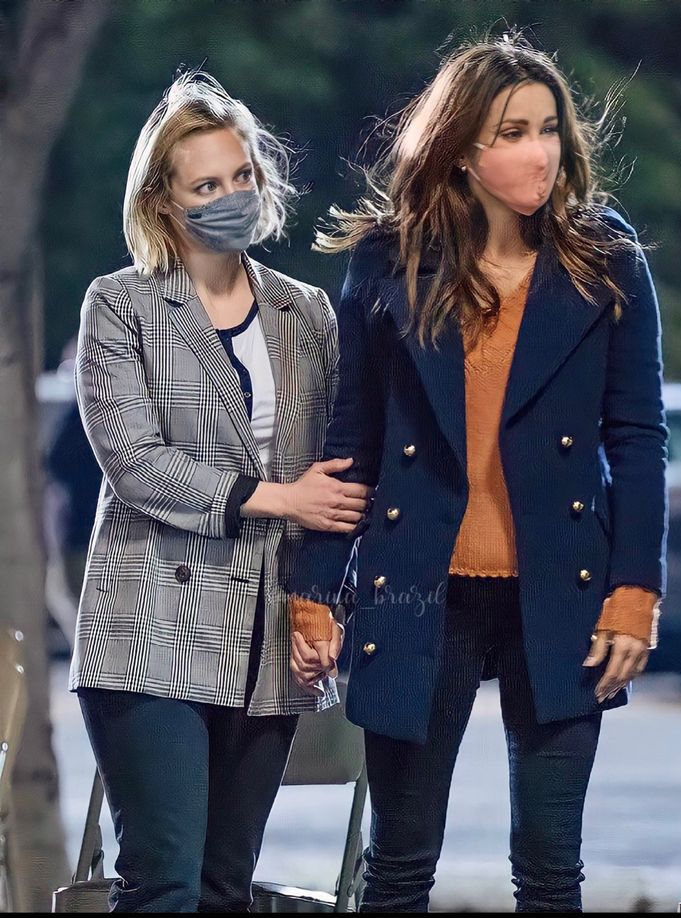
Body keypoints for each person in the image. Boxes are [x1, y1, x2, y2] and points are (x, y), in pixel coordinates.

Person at [287, 30, 668, 913]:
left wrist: (634, 594)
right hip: (420, 587)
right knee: (397, 867)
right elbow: (354, 440)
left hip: (563, 586)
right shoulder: (390, 257)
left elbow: (638, 437)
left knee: (549, 871)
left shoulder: (606, 257)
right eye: (511, 132)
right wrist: (313, 589)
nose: (540, 151)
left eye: (547, 128)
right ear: (461, 150)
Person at [69, 69, 370, 912]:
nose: (231, 195)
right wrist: (281, 499)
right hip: (150, 629)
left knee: (224, 887)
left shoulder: (305, 313)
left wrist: (324, 600)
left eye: (242, 176)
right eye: (207, 184)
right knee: (163, 880)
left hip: (266, 635)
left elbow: (338, 470)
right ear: (164, 202)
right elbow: (133, 462)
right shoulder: (121, 306)